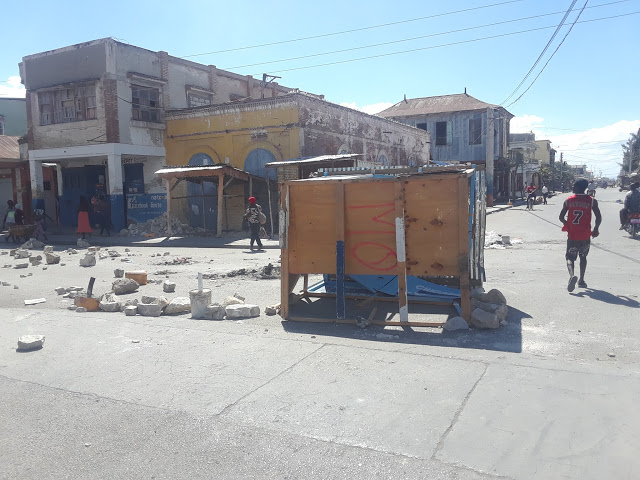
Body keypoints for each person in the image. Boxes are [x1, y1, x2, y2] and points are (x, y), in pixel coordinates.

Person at [559, 179, 602, 292]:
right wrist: (596, 229)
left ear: (578, 187)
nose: (572, 187)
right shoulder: (592, 201)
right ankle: (581, 280)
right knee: (583, 257)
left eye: (574, 185)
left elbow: (561, 217)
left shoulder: (568, 201)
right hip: (585, 235)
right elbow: (598, 217)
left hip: (572, 235)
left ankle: (572, 276)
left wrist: (566, 224)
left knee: (570, 257)